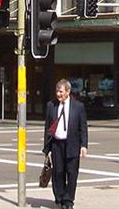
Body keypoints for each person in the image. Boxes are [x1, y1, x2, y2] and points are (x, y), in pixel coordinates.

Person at [44, 79, 88, 209]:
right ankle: (59, 197)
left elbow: (83, 127)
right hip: (57, 144)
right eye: (57, 91)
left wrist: (84, 145)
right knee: (58, 173)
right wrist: (47, 147)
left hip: (72, 144)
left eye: (61, 91)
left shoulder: (78, 106)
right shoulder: (51, 106)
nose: (58, 94)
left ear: (68, 92)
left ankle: (68, 200)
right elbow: (47, 127)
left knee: (72, 173)